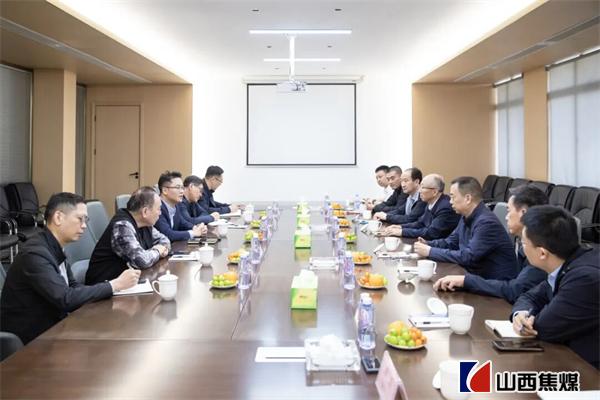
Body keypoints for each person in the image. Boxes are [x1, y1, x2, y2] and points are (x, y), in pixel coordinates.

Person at [0, 193, 139, 344]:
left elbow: (72, 286)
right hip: (30, 339)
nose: (84, 225)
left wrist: (110, 289)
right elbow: (65, 298)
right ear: (58, 217)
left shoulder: (53, 246)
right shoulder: (35, 253)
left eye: (86, 220)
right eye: (80, 219)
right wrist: (114, 285)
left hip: (53, 326)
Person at [511, 206, 599, 369]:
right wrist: (521, 314)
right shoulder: (568, 263)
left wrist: (528, 323)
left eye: (523, 243)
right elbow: (530, 296)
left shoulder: (584, 278)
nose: (522, 248)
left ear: (542, 253)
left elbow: (545, 328)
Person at [434, 185, 548, 303]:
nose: (506, 217)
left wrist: (466, 281)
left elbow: (516, 290)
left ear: (523, 213)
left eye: (509, 211)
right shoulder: (524, 242)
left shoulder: (541, 248)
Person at [414, 176, 517, 279]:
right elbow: (451, 242)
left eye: (453, 197)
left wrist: (430, 251)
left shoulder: (486, 223)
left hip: (492, 283)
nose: (450, 202)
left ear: (468, 198)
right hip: (473, 276)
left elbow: (468, 257)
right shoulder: (465, 216)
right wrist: (428, 244)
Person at [86, 187, 171, 285]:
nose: (160, 213)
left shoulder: (145, 224)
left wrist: (160, 249)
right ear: (145, 212)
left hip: (125, 283)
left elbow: (165, 241)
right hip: (104, 286)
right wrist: (157, 251)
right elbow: (142, 261)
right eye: (158, 209)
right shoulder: (122, 226)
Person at [382, 173, 459, 240]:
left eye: (423, 187)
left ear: (434, 192)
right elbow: (420, 223)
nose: (419, 191)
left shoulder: (445, 207)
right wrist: (400, 227)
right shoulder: (430, 201)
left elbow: (431, 233)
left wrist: (402, 232)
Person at [154, 171, 207, 242]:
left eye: (182, 188)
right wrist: (193, 233)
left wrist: (195, 228)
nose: (182, 191)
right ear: (165, 190)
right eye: (178, 187)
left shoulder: (176, 205)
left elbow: (182, 223)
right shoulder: (156, 207)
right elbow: (168, 234)